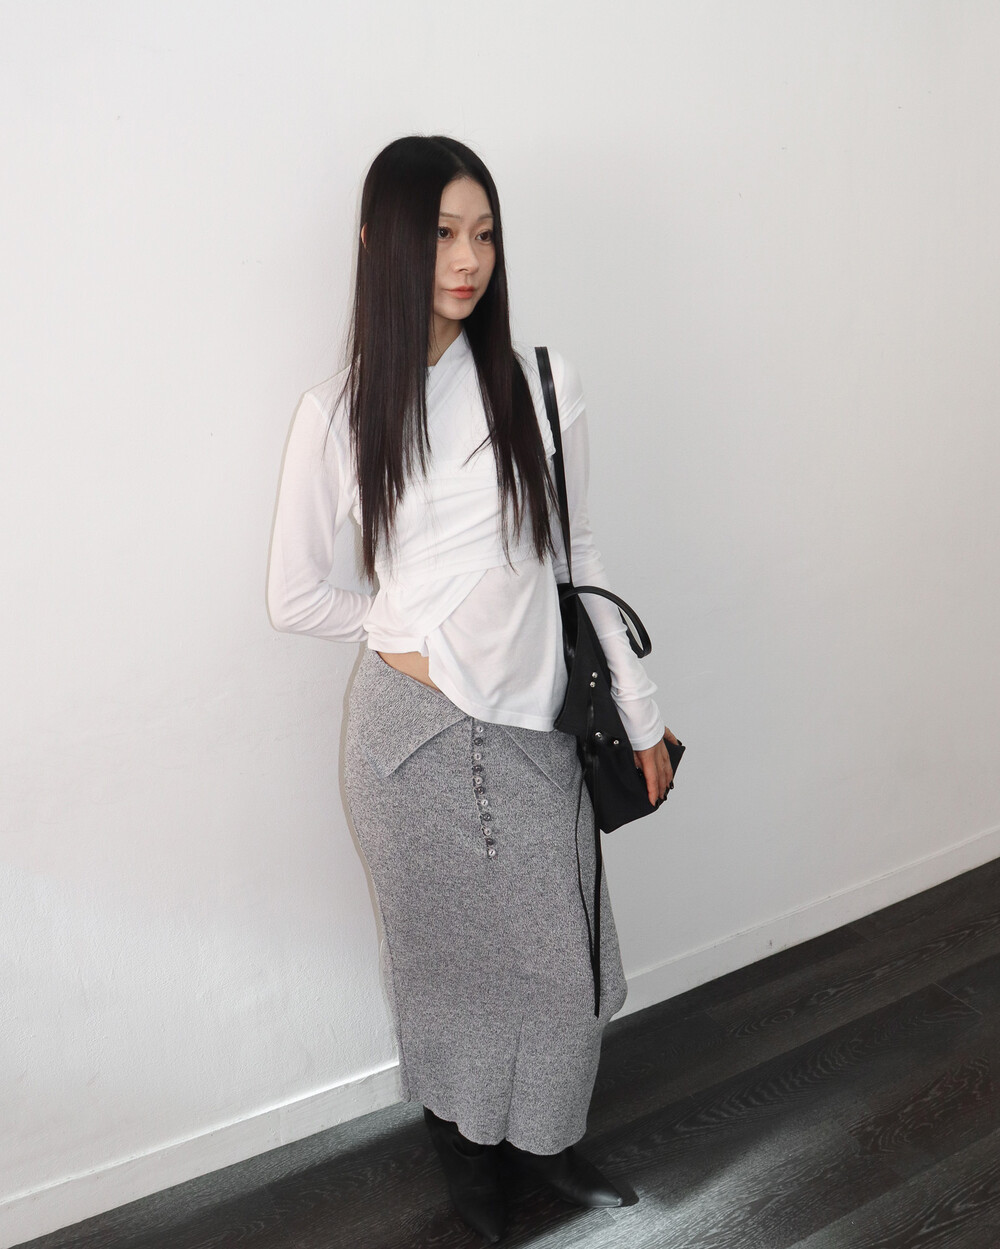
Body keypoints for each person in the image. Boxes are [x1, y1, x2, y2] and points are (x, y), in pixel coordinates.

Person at [266, 135, 678, 1245]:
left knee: (556, 965)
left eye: (484, 233)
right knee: (448, 972)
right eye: (443, 232)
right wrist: (403, 630)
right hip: (407, 746)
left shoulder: (542, 383)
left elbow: (579, 560)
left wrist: (641, 711)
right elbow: (295, 594)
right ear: (380, 243)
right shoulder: (337, 413)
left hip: (535, 726)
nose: (467, 258)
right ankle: (469, 1161)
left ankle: (546, 1145)